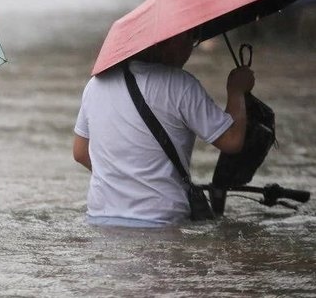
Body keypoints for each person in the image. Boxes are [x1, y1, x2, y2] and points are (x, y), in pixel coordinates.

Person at [72, 29, 255, 227]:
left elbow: (80, 152)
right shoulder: (181, 85)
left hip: (100, 219)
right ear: (163, 43)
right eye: (188, 39)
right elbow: (232, 140)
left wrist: (124, 179)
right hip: (160, 221)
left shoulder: (96, 84)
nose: (189, 48)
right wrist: (237, 91)